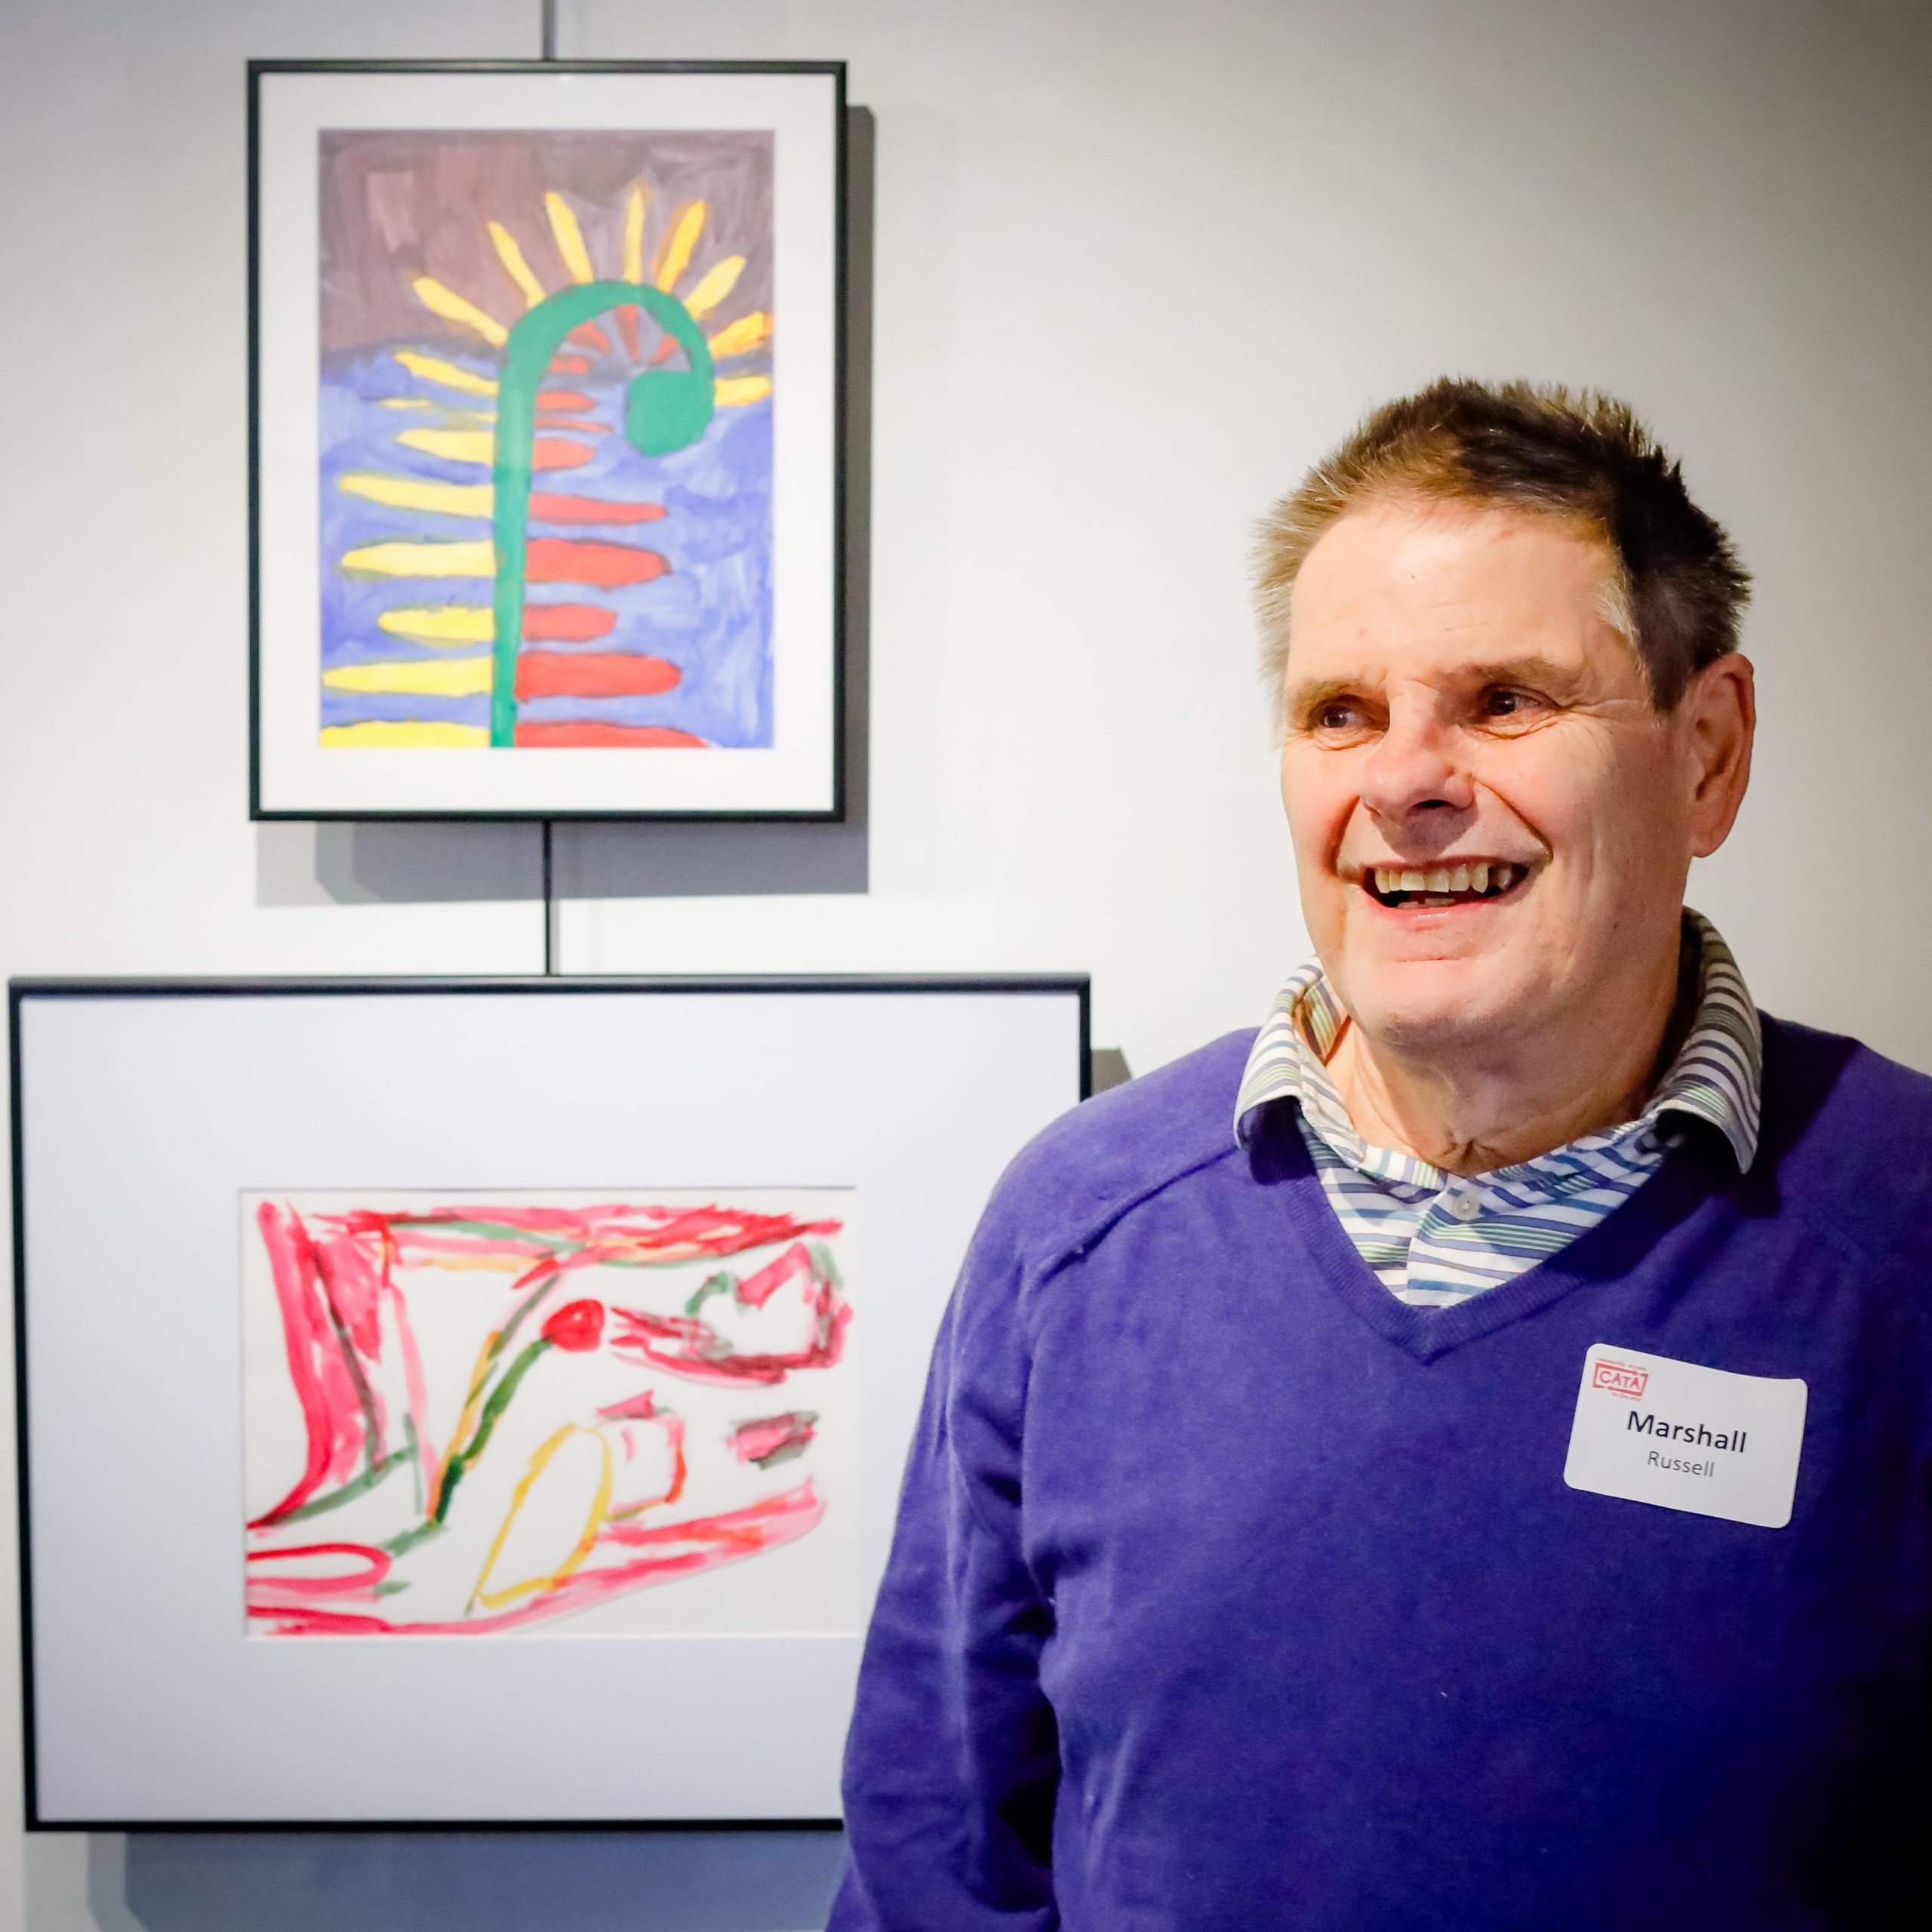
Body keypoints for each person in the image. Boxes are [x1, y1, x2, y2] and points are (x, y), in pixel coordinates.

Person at [827, 380, 1932, 1930]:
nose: (1403, 784)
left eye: (1502, 701)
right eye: (1339, 710)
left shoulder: (1896, 1231)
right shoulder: (1080, 1230)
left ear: (1705, 753)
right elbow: (933, 1854)